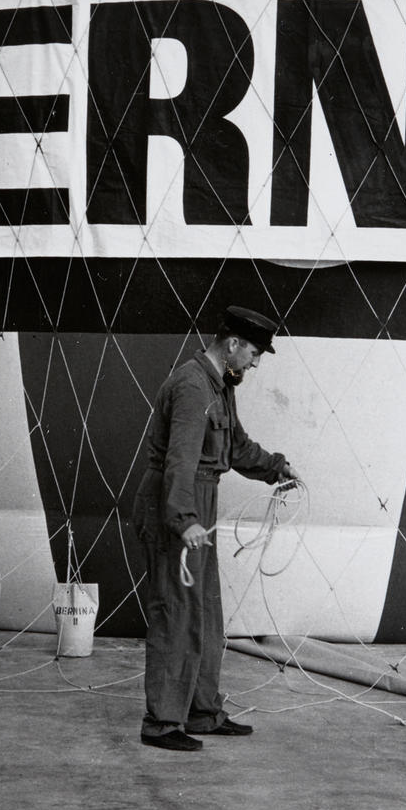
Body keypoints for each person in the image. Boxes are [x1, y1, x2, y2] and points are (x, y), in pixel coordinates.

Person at [133, 306, 300, 752]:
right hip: (176, 501)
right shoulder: (192, 386)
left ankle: (202, 713)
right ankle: (163, 723)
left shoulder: (220, 384)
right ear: (231, 345)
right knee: (177, 613)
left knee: (205, 611)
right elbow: (179, 461)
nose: (256, 362)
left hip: (195, 500)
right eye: (254, 352)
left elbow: (238, 446)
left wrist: (276, 468)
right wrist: (184, 520)